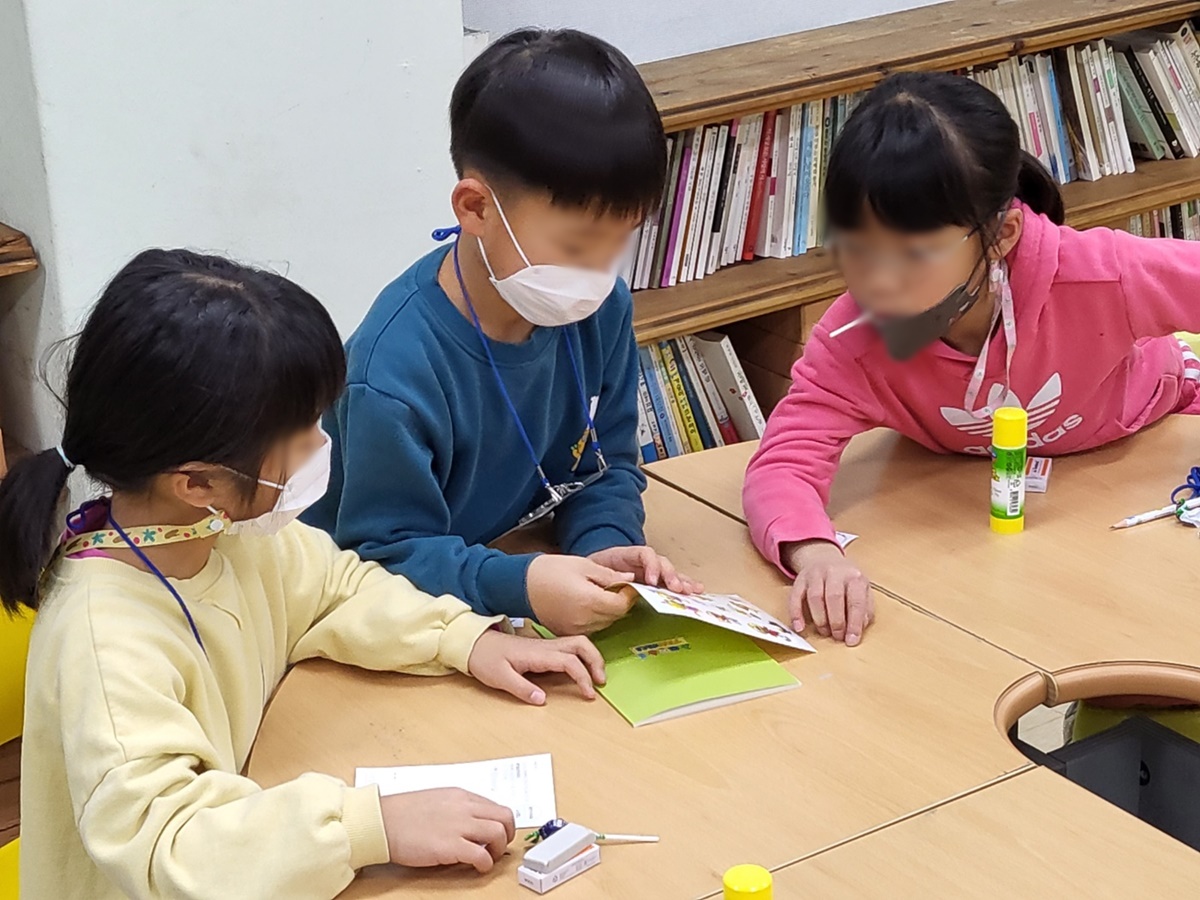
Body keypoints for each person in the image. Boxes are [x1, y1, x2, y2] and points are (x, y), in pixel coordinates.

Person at [0, 249, 607, 900]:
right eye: (299, 436)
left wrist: (465, 639)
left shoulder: (219, 533)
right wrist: (367, 827)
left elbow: (336, 587)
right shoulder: (106, 641)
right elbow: (171, 847)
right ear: (197, 483)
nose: (322, 445)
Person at [744, 71, 1200, 650]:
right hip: (992, 517)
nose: (877, 280)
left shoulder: (1101, 273)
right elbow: (783, 464)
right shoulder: (854, 337)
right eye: (857, 248)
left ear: (1002, 233)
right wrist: (815, 555)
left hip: (1150, 442)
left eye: (914, 254)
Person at [305, 28, 700, 636]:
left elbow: (607, 465)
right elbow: (381, 557)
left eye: (620, 240)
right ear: (476, 208)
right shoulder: (392, 372)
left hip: (498, 571)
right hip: (380, 619)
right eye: (577, 245)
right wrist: (519, 584)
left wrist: (603, 544)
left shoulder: (600, 308)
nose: (600, 271)